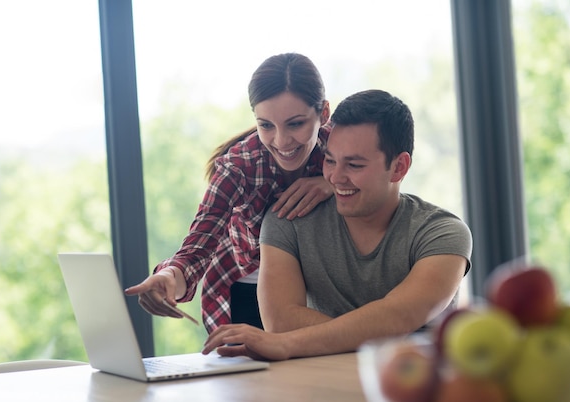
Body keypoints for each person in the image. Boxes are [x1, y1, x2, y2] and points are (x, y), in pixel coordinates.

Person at [201, 89, 473, 361]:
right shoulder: (288, 221)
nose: (334, 177)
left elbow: (398, 316)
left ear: (399, 167)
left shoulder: (443, 234)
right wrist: (378, 332)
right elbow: (281, 322)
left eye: (354, 165)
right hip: (321, 387)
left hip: (417, 393)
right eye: (330, 161)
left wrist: (288, 343)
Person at [125, 53, 332, 333]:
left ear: (324, 114)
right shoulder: (239, 167)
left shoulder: (342, 149)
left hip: (323, 294)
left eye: (295, 124)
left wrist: (333, 182)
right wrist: (170, 277)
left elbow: (385, 182)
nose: (281, 141)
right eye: (266, 125)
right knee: (253, 375)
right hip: (245, 296)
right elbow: (199, 244)